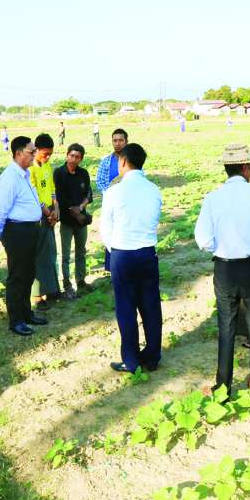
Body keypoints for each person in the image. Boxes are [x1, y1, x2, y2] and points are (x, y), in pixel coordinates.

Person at [194, 144, 250, 394]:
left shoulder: (212, 198)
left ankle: (223, 386)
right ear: (246, 167)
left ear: (227, 169)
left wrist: (221, 246)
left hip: (224, 268)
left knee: (226, 326)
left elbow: (202, 238)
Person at [101, 143, 163, 373]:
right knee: (151, 306)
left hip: (123, 254)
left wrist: (115, 249)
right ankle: (153, 356)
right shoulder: (153, 190)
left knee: (126, 308)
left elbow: (105, 229)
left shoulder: (114, 191)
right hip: (147, 252)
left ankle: (131, 359)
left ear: (124, 161)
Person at [0, 136, 48, 336]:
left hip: (30, 230)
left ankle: (26, 313)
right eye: (31, 152)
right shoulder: (9, 178)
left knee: (28, 273)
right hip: (17, 231)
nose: (34, 155)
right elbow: (0, 209)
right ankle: (16, 320)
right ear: (18, 153)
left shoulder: (24, 174)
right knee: (17, 276)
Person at [54, 143, 93, 299]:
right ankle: (67, 285)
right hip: (66, 221)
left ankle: (81, 281)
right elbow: (59, 196)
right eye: (72, 155)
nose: (74, 159)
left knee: (81, 252)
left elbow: (88, 193)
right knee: (65, 255)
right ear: (67, 155)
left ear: (81, 159)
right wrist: (73, 210)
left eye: (77, 157)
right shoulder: (59, 173)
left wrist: (81, 207)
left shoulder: (83, 173)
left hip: (81, 220)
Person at [29, 133, 61, 309]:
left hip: (50, 212)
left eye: (50, 154)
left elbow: (52, 187)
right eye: (45, 154)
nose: (48, 157)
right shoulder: (31, 169)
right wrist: (47, 212)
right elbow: (33, 193)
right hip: (39, 215)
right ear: (36, 150)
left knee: (50, 252)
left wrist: (55, 207)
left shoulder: (47, 165)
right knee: (39, 254)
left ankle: (51, 289)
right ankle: (37, 295)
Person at [96, 128, 129, 272]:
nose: (117, 143)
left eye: (120, 140)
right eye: (115, 140)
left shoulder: (132, 161)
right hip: (111, 203)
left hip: (128, 204)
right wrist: (111, 194)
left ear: (126, 142)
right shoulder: (106, 161)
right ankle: (112, 268)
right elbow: (100, 182)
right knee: (111, 233)